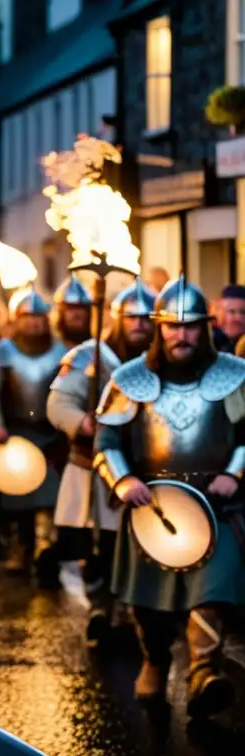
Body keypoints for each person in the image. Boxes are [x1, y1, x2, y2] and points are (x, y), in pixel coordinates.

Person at [95, 276, 245, 716]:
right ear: (158, 327)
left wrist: (235, 474)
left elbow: (244, 436)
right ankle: (156, 661)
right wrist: (123, 481)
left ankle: (203, 672)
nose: (181, 335)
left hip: (214, 503)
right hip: (151, 505)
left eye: (191, 326)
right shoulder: (130, 378)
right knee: (152, 604)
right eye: (172, 326)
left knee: (211, 591)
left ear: (205, 327)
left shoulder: (233, 376)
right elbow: (107, 444)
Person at [46, 279, 155, 646]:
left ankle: (129, 609)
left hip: (149, 471)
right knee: (95, 544)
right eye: (132, 319)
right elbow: (57, 405)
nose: (140, 325)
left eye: (146, 319)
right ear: (117, 318)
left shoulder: (161, 359)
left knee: (144, 547)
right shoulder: (90, 357)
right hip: (93, 466)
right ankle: (99, 606)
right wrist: (82, 423)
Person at [0, 287, 68, 576]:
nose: (33, 323)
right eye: (27, 317)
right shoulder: (1, 352)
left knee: (51, 498)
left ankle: (47, 549)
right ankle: (20, 546)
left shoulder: (62, 351)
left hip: (52, 434)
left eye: (38, 317)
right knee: (15, 498)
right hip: (15, 434)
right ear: (17, 320)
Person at [53, 275, 94, 347]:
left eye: (81, 307)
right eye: (71, 308)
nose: (76, 313)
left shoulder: (98, 348)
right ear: (61, 312)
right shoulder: (50, 348)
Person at [213, 284, 245, 353]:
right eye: (232, 312)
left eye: (243, 312)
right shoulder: (209, 345)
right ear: (220, 314)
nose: (238, 318)